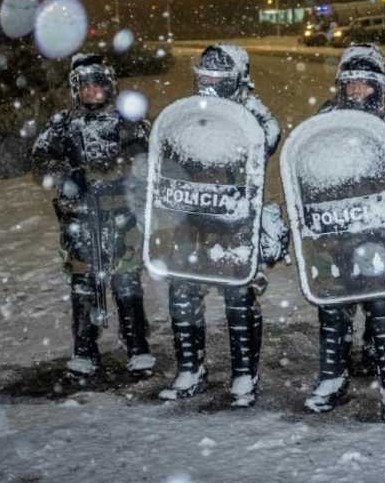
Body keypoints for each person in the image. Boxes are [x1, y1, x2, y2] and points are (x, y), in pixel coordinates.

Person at [158, 44, 287, 407]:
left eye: (218, 78)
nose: (210, 85)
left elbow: (270, 136)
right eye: (205, 77)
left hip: (234, 220)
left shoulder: (251, 110)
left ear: (237, 79)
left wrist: (238, 113)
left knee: (238, 297)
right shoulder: (188, 112)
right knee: (183, 293)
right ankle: (190, 369)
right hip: (191, 218)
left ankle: (244, 375)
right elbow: (167, 152)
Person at [304, 44, 385, 421]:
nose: (357, 90)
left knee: (381, 307)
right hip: (336, 229)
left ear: (379, 85)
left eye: (365, 84)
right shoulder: (326, 118)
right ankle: (333, 377)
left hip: (378, 232)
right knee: (332, 307)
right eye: (350, 83)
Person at [32, 52, 155, 378]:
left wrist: (113, 172)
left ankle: (138, 346)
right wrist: (66, 175)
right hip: (80, 221)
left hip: (120, 218)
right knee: (83, 285)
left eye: (96, 86)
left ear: (108, 87)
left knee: (126, 282)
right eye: (83, 87)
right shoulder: (62, 125)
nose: (91, 93)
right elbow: (40, 160)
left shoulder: (127, 122)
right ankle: (85, 349)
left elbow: (145, 160)